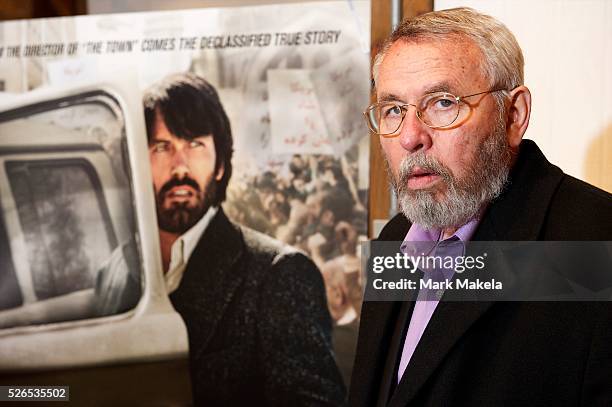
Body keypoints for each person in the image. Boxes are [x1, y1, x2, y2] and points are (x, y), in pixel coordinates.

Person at [350, 7, 612, 407]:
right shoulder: (394, 239)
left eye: (441, 103)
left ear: (514, 115)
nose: (410, 137)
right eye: (394, 110)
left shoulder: (599, 243)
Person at [140, 72, 345, 406]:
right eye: (162, 147)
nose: (180, 166)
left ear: (220, 162)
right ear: (138, 160)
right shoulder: (117, 269)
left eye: (195, 145)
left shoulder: (279, 275)